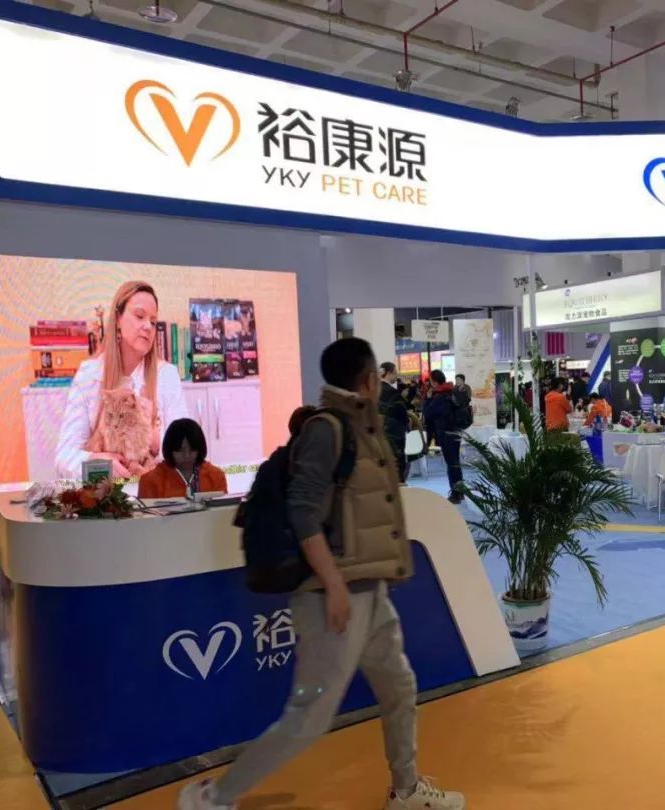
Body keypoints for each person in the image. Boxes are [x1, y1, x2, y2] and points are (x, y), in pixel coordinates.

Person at [178, 338, 464, 810]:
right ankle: (213, 797)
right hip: (335, 596)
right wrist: (332, 584)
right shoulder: (328, 429)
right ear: (369, 379)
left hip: (368, 590)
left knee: (399, 687)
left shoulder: (360, 425)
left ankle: (407, 790)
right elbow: (303, 510)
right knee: (309, 715)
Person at [56, 280, 188, 479]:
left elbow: (187, 451)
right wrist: (97, 464)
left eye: (153, 322)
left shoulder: (167, 375)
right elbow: (64, 458)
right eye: (139, 316)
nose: (148, 327)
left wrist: (152, 438)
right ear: (118, 319)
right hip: (107, 492)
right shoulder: (89, 375)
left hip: (153, 491)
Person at [137, 419, 226, 499]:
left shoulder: (216, 476)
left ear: (200, 449)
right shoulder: (150, 481)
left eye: (192, 450)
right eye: (180, 450)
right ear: (169, 449)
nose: (186, 455)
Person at [423, 370, 466, 504]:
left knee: (451, 463)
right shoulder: (451, 391)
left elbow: (428, 414)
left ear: (434, 381)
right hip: (456, 431)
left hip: (446, 433)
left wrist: (428, 399)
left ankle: (456, 494)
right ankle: (460, 492)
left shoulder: (440, 396)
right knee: (455, 462)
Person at [379, 362, 410, 483]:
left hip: (377, 435)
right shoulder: (392, 393)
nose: (396, 376)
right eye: (395, 373)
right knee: (397, 466)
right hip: (394, 434)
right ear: (389, 373)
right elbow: (402, 414)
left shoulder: (373, 391)